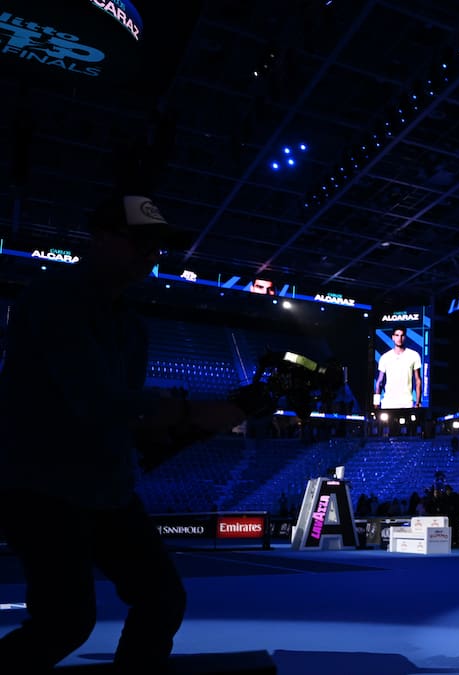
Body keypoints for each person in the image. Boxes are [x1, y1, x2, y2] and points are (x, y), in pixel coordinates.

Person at [0, 194, 247, 671]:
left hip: (105, 488)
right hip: (42, 486)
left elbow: (122, 420)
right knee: (65, 622)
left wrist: (187, 426)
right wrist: (188, 412)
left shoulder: (132, 327)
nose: (152, 253)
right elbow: (93, 400)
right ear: (102, 238)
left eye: (157, 245)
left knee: (162, 599)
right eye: (141, 241)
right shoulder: (54, 298)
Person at [374, 326, 423, 435]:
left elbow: (418, 380)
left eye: (402, 335)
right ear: (393, 337)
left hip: (407, 402)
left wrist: (418, 402)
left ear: (405, 337)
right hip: (389, 402)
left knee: (411, 434)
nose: (399, 338)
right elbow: (379, 382)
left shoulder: (414, 355)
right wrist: (376, 402)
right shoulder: (385, 357)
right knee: (389, 433)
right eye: (397, 335)